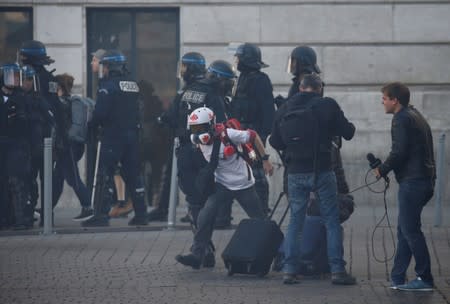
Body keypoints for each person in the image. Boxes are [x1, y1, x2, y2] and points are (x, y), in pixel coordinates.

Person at [269, 74, 356, 285]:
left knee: (295, 222)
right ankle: (337, 271)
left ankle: (290, 270)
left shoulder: (286, 107)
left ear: (301, 87)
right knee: (331, 221)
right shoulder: (327, 105)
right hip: (322, 171)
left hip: (295, 173)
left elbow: (274, 140)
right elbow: (349, 132)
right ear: (319, 89)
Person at [175, 107, 273, 269]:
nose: (197, 133)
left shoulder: (229, 134)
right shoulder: (198, 142)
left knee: (259, 221)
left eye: (200, 128)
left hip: (244, 185)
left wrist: (265, 159)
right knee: (205, 216)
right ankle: (198, 255)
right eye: (194, 129)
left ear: (211, 125)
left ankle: (276, 255)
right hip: (222, 185)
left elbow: (254, 136)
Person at [374, 82, 435, 291]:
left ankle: (424, 277)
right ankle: (397, 278)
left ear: (395, 100)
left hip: (413, 182)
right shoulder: (415, 115)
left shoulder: (400, 119)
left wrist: (382, 169)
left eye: (384, 98)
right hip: (424, 180)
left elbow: (399, 152)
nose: (382, 102)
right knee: (404, 230)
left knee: (410, 230)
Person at [82, 49, 148, 227]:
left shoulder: (107, 86)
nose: (101, 69)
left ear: (109, 67)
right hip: (132, 135)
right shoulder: (132, 84)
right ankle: (142, 214)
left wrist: (91, 125)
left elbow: (100, 113)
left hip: (113, 136)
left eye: (103, 66)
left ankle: (101, 215)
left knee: (105, 173)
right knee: (134, 175)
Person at [228, 42, 274, 217]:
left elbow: (268, 111)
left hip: (253, 136)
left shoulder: (261, 80)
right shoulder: (240, 79)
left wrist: (261, 136)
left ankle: (262, 211)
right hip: (238, 133)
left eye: (239, 57)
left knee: (257, 173)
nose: (236, 61)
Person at [19, 40, 59, 225]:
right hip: (46, 135)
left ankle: (28, 214)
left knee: (29, 176)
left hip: (32, 136)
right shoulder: (49, 79)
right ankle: (46, 217)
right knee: (45, 178)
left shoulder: (26, 79)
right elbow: (56, 107)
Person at [51, 73, 93, 221]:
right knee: (57, 179)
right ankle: (47, 208)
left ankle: (88, 207)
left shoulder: (67, 102)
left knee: (72, 178)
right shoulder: (65, 102)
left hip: (69, 147)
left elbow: (73, 127)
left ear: (60, 87)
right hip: (68, 146)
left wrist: (65, 140)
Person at [0, 63, 33, 229]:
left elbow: (30, 123)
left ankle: (20, 219)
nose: (15, 79)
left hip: (17, 144)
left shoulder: (22, 97)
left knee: (16, 182)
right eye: (11, 75)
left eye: (17, 76)